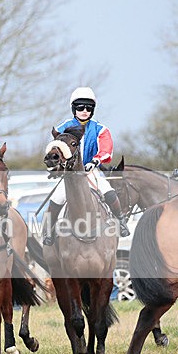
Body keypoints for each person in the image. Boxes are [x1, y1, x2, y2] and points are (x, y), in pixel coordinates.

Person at [43, 87, 129, 245]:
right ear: (73, 108)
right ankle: (49, 230)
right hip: (69, 174)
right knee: (57, 198)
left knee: (108, 191)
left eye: (88, 107)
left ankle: (121, 221)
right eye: (80, 107)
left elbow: (106, 149)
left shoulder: (101, 129)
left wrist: (95, 161)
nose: (84, 110)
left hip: (91, 170)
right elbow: (55, 148)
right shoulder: (63, 128)